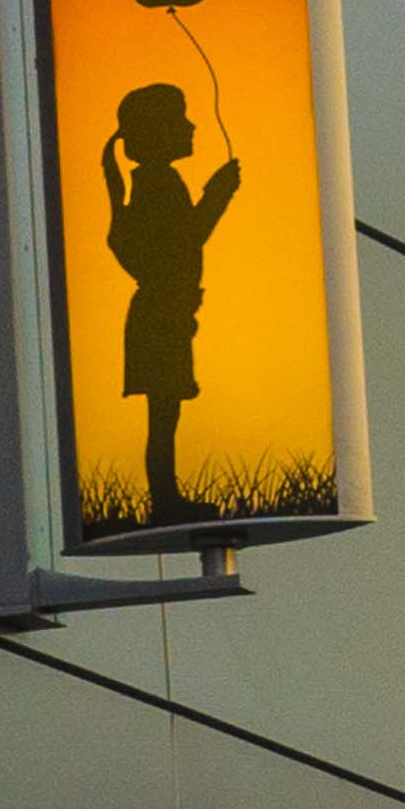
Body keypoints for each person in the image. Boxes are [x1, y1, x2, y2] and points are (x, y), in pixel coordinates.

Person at [100, 78, 236, 522]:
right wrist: (218, 194)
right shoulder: (161, 184)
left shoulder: (156, 182)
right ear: (159, 133)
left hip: (165, 315)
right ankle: (165, 501)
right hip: (160, 317)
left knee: (165, 412)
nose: (192, 126)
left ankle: (166, 498)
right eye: (181, 120)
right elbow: (188, 239)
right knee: (163, 413)